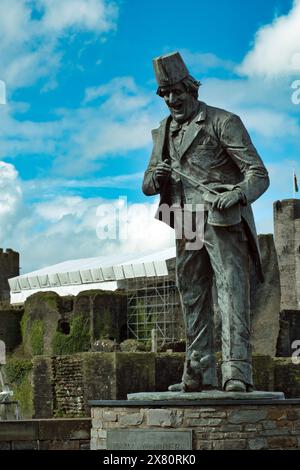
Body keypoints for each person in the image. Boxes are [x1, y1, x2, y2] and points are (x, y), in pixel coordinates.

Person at [142, 52, 270, 392]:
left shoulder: (223, 121)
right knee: (192, 292)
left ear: (190, 89)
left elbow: (258, 174)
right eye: (165, 94)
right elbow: (146, 185)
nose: (171, 100)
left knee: (230, 290)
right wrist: (156, 175)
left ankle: (236, 372)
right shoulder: (163, 132)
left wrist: (239, 194)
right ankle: (199, 369)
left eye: (176, 92)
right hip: (185, 220)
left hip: (220, 219)